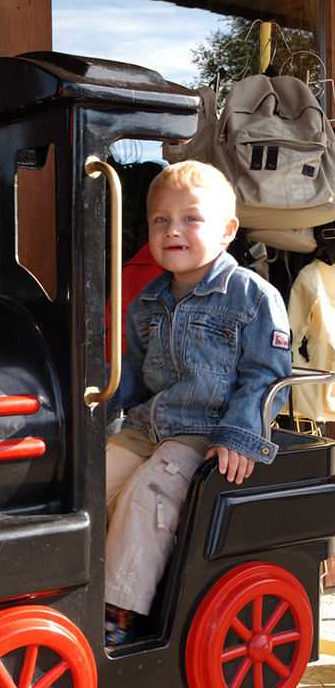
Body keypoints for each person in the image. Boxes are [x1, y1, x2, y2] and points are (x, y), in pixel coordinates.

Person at [104, 160, 292, 646]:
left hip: (202, 431)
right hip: (145, 427)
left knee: (148, 496)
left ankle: (119, 608)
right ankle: (67, 588)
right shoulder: (147, 300)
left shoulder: (252, 295)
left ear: (228, 230)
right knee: (89, 488)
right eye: (160, 220)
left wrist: (240, 435)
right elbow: (133, 374)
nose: (173, 230)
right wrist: (98, 414)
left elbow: (267, 375)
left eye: (191, 218)